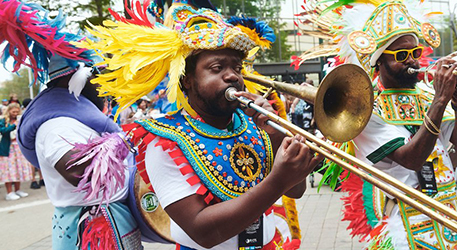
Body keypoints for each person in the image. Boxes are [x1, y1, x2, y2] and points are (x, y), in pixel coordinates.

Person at [82, 1, 317, 249]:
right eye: (217, 68)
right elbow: (203, 232)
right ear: (187, 81)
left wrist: (278, 136)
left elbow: (295, 190)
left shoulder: (255, 125)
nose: (233, 76)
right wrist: (278, 181)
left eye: (237, 68)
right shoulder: (165, 141)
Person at [293, 1, 457, 248]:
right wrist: (441, 99)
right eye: (401, 55)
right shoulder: (364, 111)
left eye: (416, 53)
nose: (412, 61)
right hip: (407, 218)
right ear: (380, 62)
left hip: (450, 210)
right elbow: (411, 159)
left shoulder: (427, 96)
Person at [2, 0, 142, 248]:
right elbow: (79, 171)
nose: (103, 87)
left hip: (107, 220)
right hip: (91, 229)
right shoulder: (57, 125)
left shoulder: (73, 117)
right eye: (99, 78)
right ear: (80, 79)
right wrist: (126, 138)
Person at [0, 103, 32, 200]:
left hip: (18, 147)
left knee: (18, 169)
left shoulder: (20, 120)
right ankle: (9, 192)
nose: (15, 113)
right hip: (7, 148)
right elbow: (3, 130)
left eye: (17, 112)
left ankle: (18, 190)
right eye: (13, 111)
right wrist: (13, 125)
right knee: (8, 170)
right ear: (8, 111)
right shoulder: (3, 120)